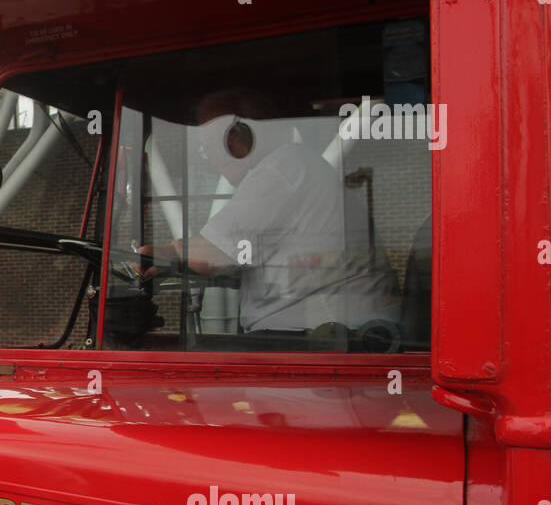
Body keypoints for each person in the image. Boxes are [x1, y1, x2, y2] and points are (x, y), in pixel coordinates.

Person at [147, 88, 399, 341]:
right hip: (334, 336)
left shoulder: (282, 171)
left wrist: (157, 254)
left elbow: (210, 255)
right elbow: (247, 260)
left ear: (238, 136)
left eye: (209, 146)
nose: (211, 159)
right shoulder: (296, 166)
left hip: (328, 342)